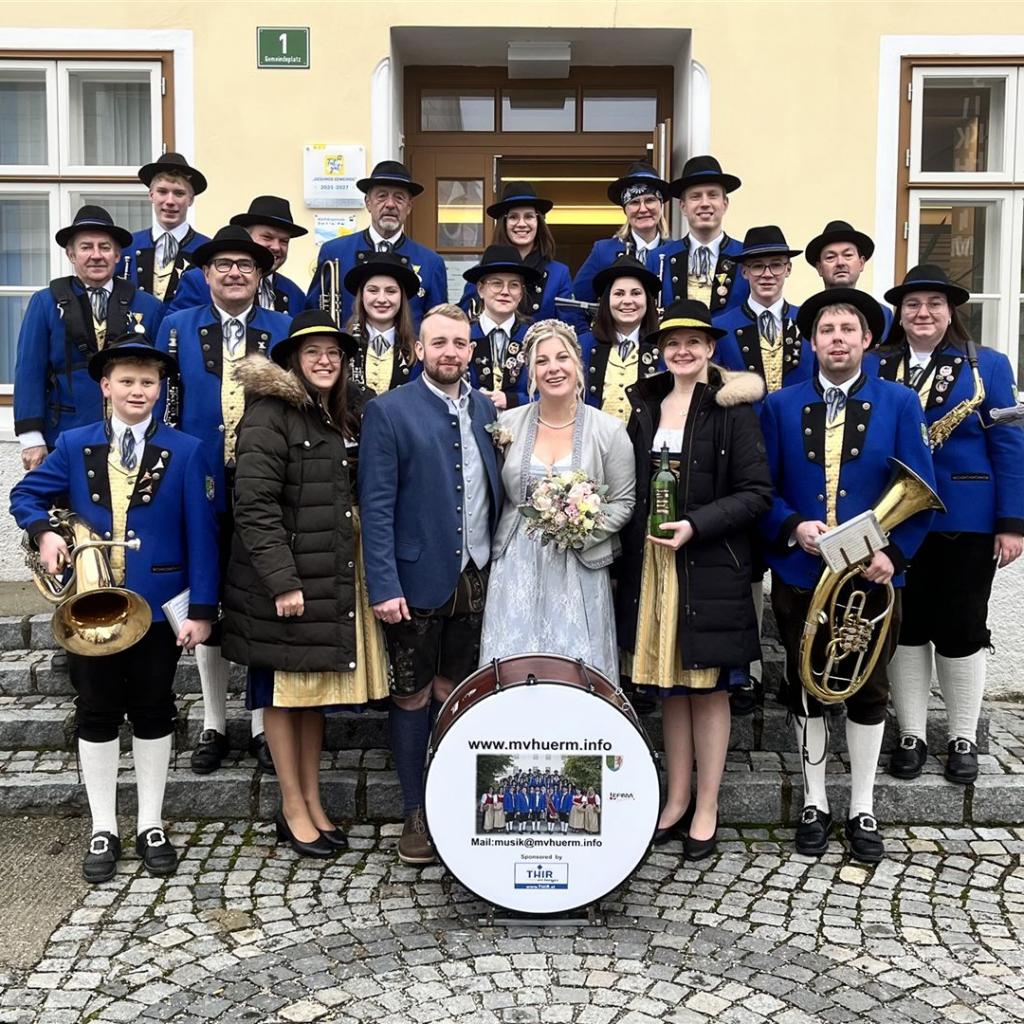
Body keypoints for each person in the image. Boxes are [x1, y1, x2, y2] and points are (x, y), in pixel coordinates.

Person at [10, 333, 219, 883]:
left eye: (148, 381)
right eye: (126, 380)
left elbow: (203, 534)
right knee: (96, 711)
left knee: (154, 709)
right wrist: (44, 532)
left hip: (157, 606)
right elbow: (25, 495)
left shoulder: (187, 449)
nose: (137, 390)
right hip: (89, 607)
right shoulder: (74, 444)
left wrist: (201, 609)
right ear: (105, 386)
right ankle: (103, 826)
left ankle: (151, 823)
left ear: (160, 388)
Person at [761, 288, 936, 863]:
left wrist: (896, 555)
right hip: (801, 571)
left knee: (869, 690)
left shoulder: (900, 402)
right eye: (826, 331)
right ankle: (814, 802)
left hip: (873, 574)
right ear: (812, 344)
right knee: (806, 686)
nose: (837, 339)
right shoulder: (780, 405)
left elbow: (922, 490)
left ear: (866, 340)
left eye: (847, 330)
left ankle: (863, 805)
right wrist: (792, 525)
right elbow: (762, 488)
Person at [220, 310, 386, 856]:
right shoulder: (269, 413)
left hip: (331, 571)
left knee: (314, 697)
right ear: (293, 359)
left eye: (334, 353)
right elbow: (255, 506)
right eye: (313, 352)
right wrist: (282, 581)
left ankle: (312, 800)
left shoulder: (347, 412)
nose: (324, 361)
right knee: (283, 697)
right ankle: (292, 808)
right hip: (286, 581)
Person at [614, 299, 772, 861]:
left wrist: (696, 525)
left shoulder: (732, 409)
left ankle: (707, 805)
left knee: (708, 690)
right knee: (671, 689)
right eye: (672, 343)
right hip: (651, 564)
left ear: (709, 348)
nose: (682, 351)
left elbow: (757, 493)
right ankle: (676, 797)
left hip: (706, 564)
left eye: (693, 342)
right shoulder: (646, 405)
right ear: (662, 351)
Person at [359, 303, 502, 864]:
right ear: (418, 349)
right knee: (413, 693)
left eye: (459, 343)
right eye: (438, 343)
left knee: (457, 690)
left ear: (471, 350)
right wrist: (383, 584)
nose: (450, 352)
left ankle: (452, 798)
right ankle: (415, 811)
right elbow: (376, 506)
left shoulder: (487, 408)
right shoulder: (388, 410)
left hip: (476, 573)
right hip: (413, 578)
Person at [875, 265, 1024, 783]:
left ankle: (962, 735)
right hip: (895, 518)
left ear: (950, 311)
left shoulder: (989, 366)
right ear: (899, 313)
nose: (923, 313)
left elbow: (1009, 444)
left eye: (934, 304)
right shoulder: (878, 364)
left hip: (968, 517)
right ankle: (911, 734)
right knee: (907, 626)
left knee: (962, 627)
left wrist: (1012, 522)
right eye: (912, 304)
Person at [156, 225, 292, 775]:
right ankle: (214, 721)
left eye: (245, 265)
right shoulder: (176, 327)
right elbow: (164, 407)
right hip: (199, 481)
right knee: (205, 596)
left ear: (260, 275)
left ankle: (261, 723)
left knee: (258, 597)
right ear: (206, 274)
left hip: (265, 484)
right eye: (223, 265)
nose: (235, 273)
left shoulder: (281, 329)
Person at [479, 319, 636, 680]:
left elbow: (624, 502)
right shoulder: (507, 424)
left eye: (562, 357)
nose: (553, 368)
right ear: (531, 371)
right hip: (517, 562)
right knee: (514, 664)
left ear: (578, 363)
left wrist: (579, 528)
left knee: (575, 666)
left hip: (579, 564)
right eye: (542, 361)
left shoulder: (609, 430)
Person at [711, 225, 811, 717]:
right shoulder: (721, 327)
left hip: (801, 459)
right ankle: (746, 673)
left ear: (788, 269)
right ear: (744, 272)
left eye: (775, 264)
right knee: (745, 568)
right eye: (756, 265)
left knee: (797, 568)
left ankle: (800, 671)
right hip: (741, 459)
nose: (767, 273)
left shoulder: (809, 322)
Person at [15, 206, 163, 470]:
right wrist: (31, 437)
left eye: (104, 247)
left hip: (135, 436)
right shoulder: (45, 302)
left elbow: (160, 376)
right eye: (86, 247)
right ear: (71, 254)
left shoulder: (148, 306)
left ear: (117, 255)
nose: (96, 255)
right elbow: (29, 370)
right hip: (63, 434)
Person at [307, 160, 448, 328]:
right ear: (368, 203)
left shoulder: (431, 263)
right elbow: (314, 314)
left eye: (399, 198)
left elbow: (438, 327)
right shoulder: (334, 252)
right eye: (382, 196)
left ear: (409, 207)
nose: (390, 205)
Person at [167, 197, 308, 316]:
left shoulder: (294, 294)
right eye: (267, 237)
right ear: (247, 237)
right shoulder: (197, 281)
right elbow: (177, 331)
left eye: (284, 241)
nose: (276, 247)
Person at [648, 155, 748, 314]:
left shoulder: (745, 257)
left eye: (712, 195)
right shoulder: (658, 258)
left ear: (725, 204)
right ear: (683, 207)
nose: (705, 203)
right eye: (695, 196)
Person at [459, 182, 572, 321]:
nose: (522, 224)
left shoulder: (559, 274)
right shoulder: (481, 273)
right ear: (503, 223)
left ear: (539, 221)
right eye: (513, 217)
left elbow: (569, 326)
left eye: (529, 216)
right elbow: (463, 322)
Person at [572, 161, 671, 313]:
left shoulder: (676, 252)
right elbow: (576, 304)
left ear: (661, 205)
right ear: (625, 210)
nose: (643, 209)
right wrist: (591, 330)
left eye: (650, 200)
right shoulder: (603, 251)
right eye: (634, 202)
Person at [578, 254, 662, 421]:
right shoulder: (582, 345)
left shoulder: (663, 346)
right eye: (619, 294)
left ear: (648, 300)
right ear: (606, 301)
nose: (627, 301)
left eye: (636, 293)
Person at [118, 152, 210, 304]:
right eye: (162, 192)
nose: (170, 201)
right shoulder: (128, 245)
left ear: (191, 199)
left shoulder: (206, 249)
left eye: (179, 193)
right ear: (151, 195)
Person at [464, 245, 543, 409]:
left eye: (513, 285)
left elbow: (551, 394)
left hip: (523, 422)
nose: (505, 292)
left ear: (521, 293)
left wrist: (513, 400)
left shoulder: (535, 338)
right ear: (480, 290)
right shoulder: (464, 335)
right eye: (496, 283)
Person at [343, 250, 421, 392]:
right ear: (362, 296)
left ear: (401, 297)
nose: (382, 299)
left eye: (391, 291)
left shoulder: (417, 350)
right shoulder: (342, 343)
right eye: (373, 290)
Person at [806, 220, 893, 341]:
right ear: (819, 268)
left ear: (861, 263)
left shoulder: (882, 315)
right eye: (830, 257)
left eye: (848, 255)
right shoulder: (806, 316)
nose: (840, 263)